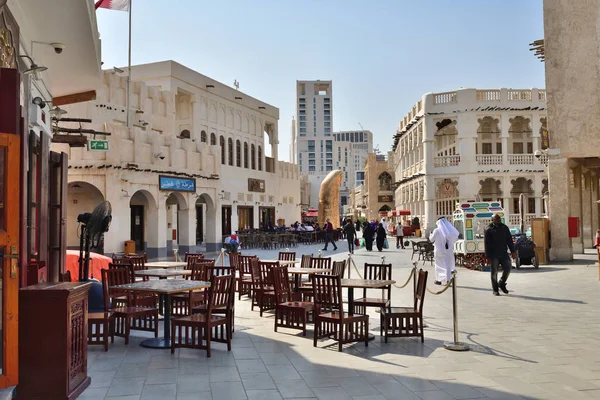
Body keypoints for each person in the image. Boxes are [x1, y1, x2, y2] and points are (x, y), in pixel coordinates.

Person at [484, 213, 516, 296]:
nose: (499, 220)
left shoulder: (504, 228)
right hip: (494, 255)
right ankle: (495, 289)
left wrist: (513, 251)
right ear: (492, 220)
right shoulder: (488, 229)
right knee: (494, 273)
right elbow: (486, 244)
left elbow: (509, 240)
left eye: (499, 218)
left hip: (504, 253)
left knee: (508, 268)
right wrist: (487, 257)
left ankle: (501, 283)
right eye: (497, 219)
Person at [429, 217, 460, 285]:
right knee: (447, 266)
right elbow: (455, 238)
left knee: (438, 265)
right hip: (448, 251)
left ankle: (438, 280)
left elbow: (431, 239)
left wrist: (430, 234)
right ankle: (448, 280)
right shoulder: (450, 231)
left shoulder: (437, 230)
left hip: (439, 251)